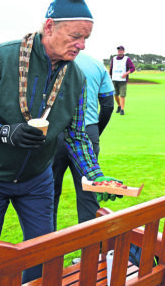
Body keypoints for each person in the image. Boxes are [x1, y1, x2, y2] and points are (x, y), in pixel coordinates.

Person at [0, 0, 121, 283]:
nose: (82, 46)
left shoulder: (76, 76)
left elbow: (77, 135)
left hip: (37, 178)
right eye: (75, 36)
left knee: (44, 253)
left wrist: (95, 174)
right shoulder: (0, 58)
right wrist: (2, 133)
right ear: (50, 26)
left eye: (86, 38)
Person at [53, 51, 114, 230]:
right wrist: (94, 132)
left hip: (52, 132)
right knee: (89, 193)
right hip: (88, 130)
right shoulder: (96, 64)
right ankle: (92, 255)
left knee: (48, 194)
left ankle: (48, 254)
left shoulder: (52, 61)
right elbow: (108, 105)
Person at [109, 45, 136, 115]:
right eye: (118, 50)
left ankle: (122, 109)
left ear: (123, 51)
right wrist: (109, 77)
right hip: (114, 79)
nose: (119, 51)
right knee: (115, 94)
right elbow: (111, 69)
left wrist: (126, 73)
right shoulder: (114, 59)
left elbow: (132, 68)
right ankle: (119, 105)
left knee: (122, 95)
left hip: (123, 80)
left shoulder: (127, 59)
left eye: (121, 50)